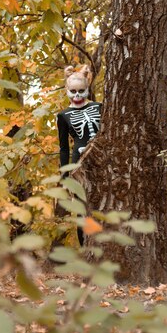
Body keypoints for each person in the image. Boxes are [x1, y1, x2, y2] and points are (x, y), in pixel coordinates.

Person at [56, 65, 102, 246]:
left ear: (88, 89)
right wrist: (65, 175)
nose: (77, 96)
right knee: (82, 207)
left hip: (101, 158)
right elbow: (64, 148)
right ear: (67, 90)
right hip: (79, 163)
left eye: (81, 91)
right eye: (73, 91)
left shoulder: (100, 107)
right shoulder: (63, 115)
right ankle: (85, 250)